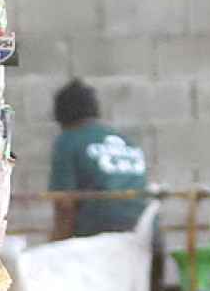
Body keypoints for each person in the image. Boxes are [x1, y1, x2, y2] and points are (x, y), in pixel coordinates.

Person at [48, 78, 150, 240]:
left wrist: (55, 246)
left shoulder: (68, 141)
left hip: (100, 236)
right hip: (145, 232)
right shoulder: (127, 141)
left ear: (60, 116)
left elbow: (64, 206)